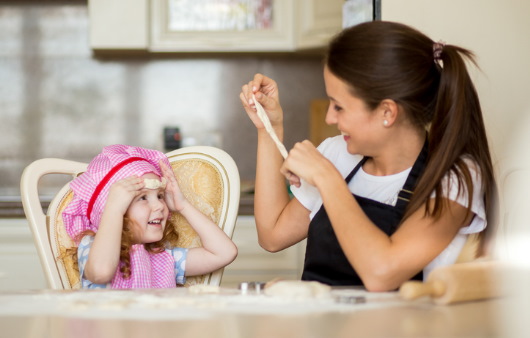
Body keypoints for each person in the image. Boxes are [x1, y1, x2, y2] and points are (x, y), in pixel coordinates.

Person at [239, 21, 496, 291]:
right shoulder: (338, 152)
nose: (329, 117)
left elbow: (382, 272)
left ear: (387, 112)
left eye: (339, 106)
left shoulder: (453, 177)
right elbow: (272, 235)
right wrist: (268, 128)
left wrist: (327, 178)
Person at [62, 144, 237, 288]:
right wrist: (113, 209)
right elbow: (101, 272)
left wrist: (182, 206)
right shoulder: (94, 248)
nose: (159, 205)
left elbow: (224, 253)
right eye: (143, 197)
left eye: (160, 196)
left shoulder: (165, 259)